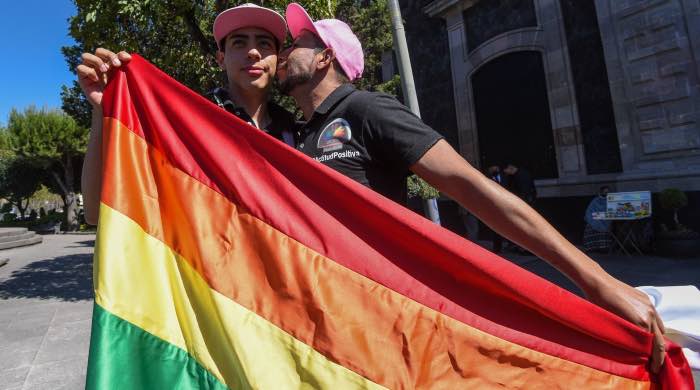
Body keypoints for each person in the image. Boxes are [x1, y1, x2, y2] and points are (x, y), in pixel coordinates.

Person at [277, 3, 666, 372]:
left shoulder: (367, 110)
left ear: (324, 57)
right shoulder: (299, 134)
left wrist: (596, 280)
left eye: (298, 44)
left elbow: (473, 188)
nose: (285, 50)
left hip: (379, 323)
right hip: (323, 323)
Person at [78, 3, 296, 225]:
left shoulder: (295, 130)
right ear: (221, 60)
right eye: (239, 42)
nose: (253, 52)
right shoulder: (184, 122)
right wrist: (102, 111)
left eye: (264, 43)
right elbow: (96, 212)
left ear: (277, 58)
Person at [583, 186, 613, 252]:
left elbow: (611, 211)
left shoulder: (611, 201)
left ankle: (603, 248)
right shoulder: (595, 200)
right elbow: (589, 211)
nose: (606, 193)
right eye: (604, 192)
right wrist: (592, 219)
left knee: (605, 227)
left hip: (605, 220)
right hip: (594, 219)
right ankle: (591, 248)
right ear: (600, 192)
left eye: (607, 192)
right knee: (589, 227)